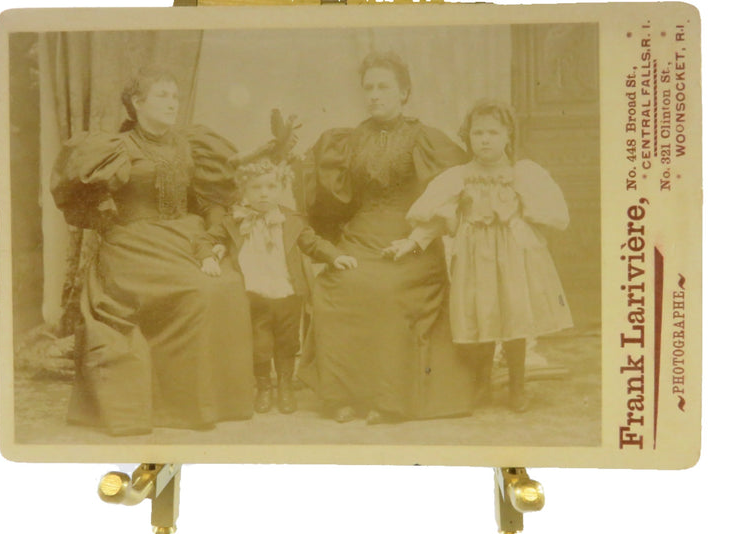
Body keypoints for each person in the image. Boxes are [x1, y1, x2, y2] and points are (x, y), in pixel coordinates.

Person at [50, 66, 254, 436]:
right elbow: (79, 200)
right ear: (137, 103)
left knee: (226, 286)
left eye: (175, 96)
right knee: (197, 292)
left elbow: (210, 201)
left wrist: (215, 236)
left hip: (185, 238)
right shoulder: (116, 148)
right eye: (162, 95)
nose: (172, 103)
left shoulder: (191, 144)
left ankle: (216, 402)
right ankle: (178, 408)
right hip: (133, 245)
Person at [298, 51, 475, 424]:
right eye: (369, 87)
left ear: (404, 92)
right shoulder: (350, 140)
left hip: (409, 238)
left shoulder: (424, 138)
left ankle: (387, 399)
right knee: (335, 286)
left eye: (384, 87)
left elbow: (464, 181)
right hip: (361, 234)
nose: (375, 95)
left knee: (387, 292)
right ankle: (341, 395)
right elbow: (332, 196)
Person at [390, 100, 574, 412]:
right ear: (468, 136)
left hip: (512, 254)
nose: (485, 139)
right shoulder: (459, 177)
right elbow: (436, 218)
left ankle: (517, 386)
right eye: (478, 133)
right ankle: (482, 384)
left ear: (507, 136)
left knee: (514, 315)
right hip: (475, 257)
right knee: (484, 313)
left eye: (492, 132)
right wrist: (414, 242)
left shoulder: (521, 175)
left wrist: (521, 214)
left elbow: (553, 216)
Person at [197, 158, 358, 415]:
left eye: (271, 187)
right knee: (260, 344)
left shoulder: (291, 219)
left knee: (287, 342)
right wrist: (208, 256)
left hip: (287, 292)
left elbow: (312, 243)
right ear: (243, 191)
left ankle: (284, 386)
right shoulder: (234, 220)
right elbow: (206, 239)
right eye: (256, 188)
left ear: (280, 188)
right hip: (254, 293)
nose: (263, 193)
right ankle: (263, 387)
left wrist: (335, 256)